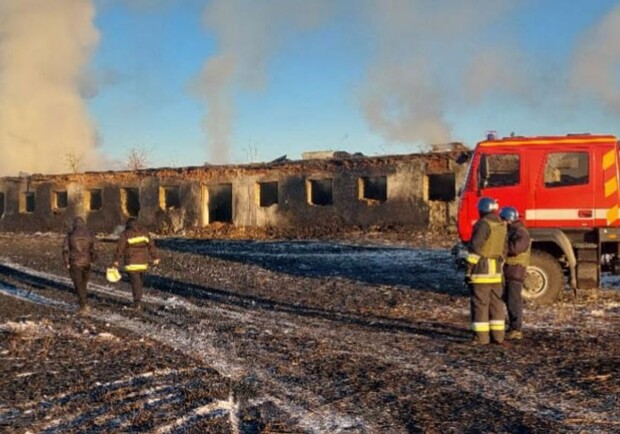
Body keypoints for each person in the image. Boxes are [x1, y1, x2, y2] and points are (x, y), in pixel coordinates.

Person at [465, 197, 508, 345]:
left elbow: (475, 248)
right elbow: (504, 249)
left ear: (481, 210)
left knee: (480, 303)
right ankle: (498, 336)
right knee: (496, 304)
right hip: (496, 270)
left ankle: (481, 337)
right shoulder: (501, 225)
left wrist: (468, 269)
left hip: (482, 269)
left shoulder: (483, 224)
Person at [499, 206, 531, 340]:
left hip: (516, 270)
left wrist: (501, 247)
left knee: (514, 300)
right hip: (511, 270)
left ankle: (516, 329)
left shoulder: (520, 232)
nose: (502, 222)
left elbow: (516, 248)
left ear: (509, 219)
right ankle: (513, 327)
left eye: (503, 220)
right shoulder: (514, 230)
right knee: (509, 299)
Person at [114, 218, 159, 309]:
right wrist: (155, 257)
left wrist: (116, 260)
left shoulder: (126, 234)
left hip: (131, 263)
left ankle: (137, 302)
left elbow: (120, 249)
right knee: (139, 282)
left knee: (135, 283)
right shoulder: (144, 232)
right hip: (143, 263)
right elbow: (151, 245)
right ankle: (138, 299)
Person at [62, 216, 97, 313]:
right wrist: (92, 260)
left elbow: (65, 250)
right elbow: (95, 249)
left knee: (78, 285)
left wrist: (67, 262)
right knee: (83, 283)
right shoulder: (90, 235)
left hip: (75, 263)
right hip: (87, 263)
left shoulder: (70, 235)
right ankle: (84, 302)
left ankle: (83, 305)